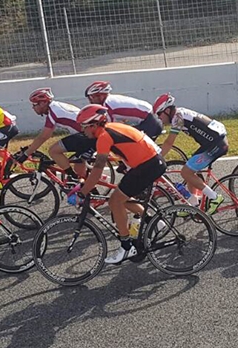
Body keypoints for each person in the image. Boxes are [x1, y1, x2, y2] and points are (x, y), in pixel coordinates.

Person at [69, 104, 167, 265]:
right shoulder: (109, 129)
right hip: (150, 162)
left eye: (84, 127)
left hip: (148, 165)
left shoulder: (104, 137)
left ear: (94, 125)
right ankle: (153, 222)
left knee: (114, 201)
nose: (82, 130)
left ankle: (126, 246)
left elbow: (99, 168)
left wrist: (83, 191)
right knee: (123, 198)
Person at [153, 94, 228, 213]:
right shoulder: (180, 113)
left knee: (186, 172)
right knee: (189, 169)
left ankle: (215, 197)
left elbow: (168, 143)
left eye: (159, 114)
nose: (159, 118)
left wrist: (156, 159)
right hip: (213, 142)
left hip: (216, 144)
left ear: (167, 110)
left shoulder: (178, 117)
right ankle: (193, 204)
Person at [13, 88, 89, 181]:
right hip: (85, 134)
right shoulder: (55, 107)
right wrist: (31, 148)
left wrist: (26, 154)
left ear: (44, 103)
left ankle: (72, 177)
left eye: (35, 104)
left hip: (85, 135)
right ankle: (89, 185)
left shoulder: (54, 112)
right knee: (80, 169)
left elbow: (44, 136)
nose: (33, 108)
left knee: (53, 151)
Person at [84, 81, 163, 140]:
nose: (91, 101)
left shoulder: (108, 104)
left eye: (92, 97)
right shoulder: (110, 100)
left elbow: (108, 126)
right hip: (149, 118)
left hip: (150, 122)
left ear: (101, 95)